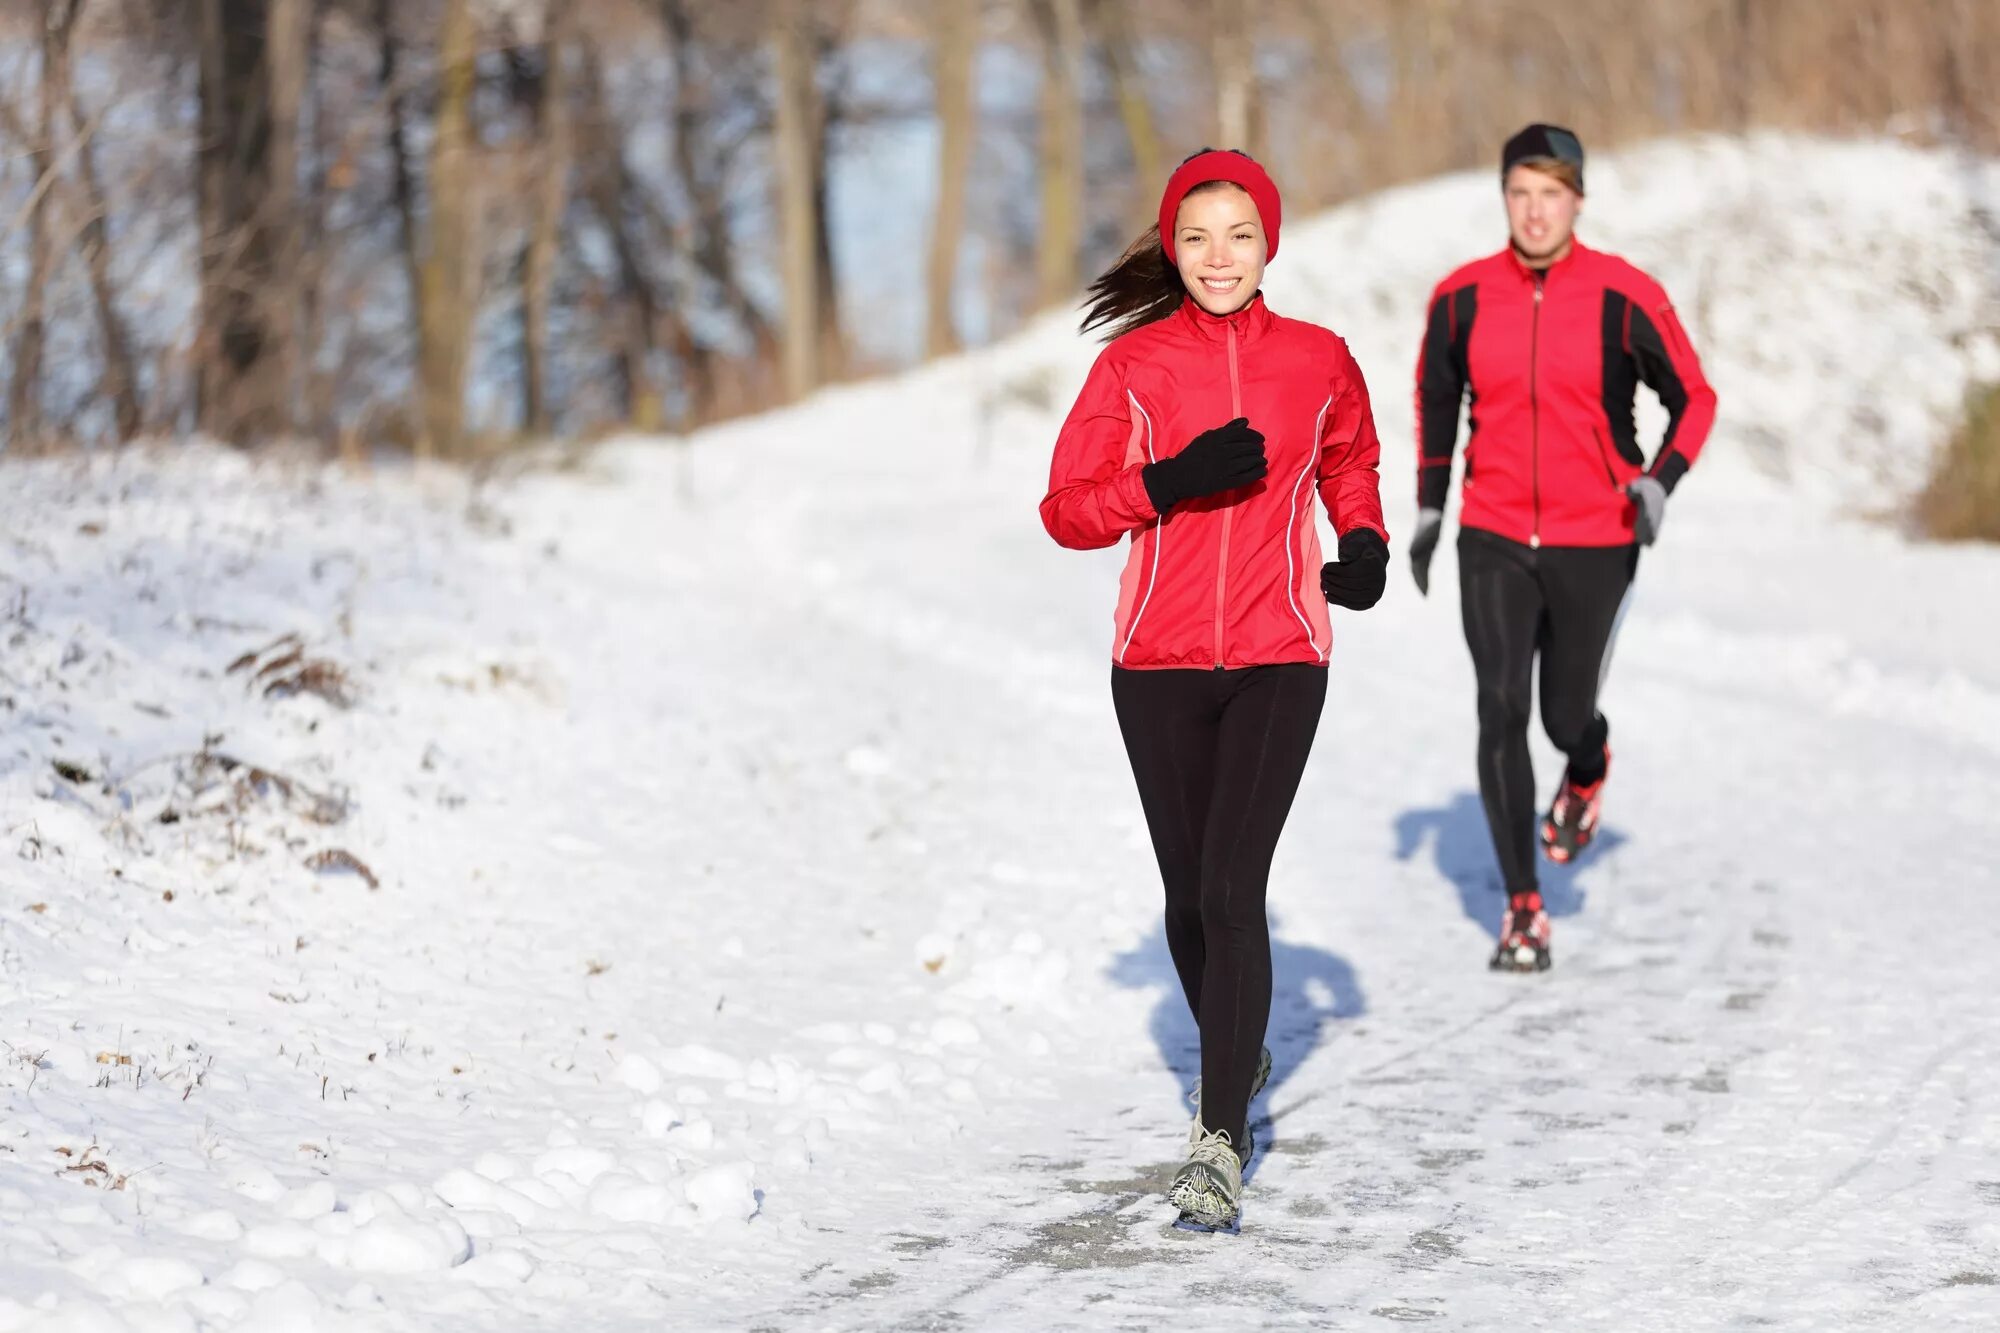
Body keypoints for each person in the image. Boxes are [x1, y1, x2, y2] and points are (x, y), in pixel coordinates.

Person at [1040, 148, 1388, 1229]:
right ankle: (1238, 1047)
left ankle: (1217, 1135)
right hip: (1154, 663)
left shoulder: (1318, 358)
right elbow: (1065, 508)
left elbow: (1349, 460)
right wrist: (1168, 481)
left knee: (1234, 888)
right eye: (1194, 237)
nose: (1216, 255)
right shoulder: (1133, 369)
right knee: (1189, 896)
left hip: (1282, 650)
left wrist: (1364, 542)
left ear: (1267, 240)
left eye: (1237, 233)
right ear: (1171, 248)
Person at [1408, 124, 1716, 972]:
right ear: (1503, 198)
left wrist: (1659, 481)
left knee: (1561, 714)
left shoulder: (1625, 295)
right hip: (1495, 532)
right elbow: (1437, 401)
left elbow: (1694, 398)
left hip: (1596, 536)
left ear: (1578, 199)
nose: (1535, 211)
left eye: (1551, 194)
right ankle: (1523, 906)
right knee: (1501, 706)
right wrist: (1432, 510)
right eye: (1519, 193)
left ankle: (1585, 764)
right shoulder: (1462, 298)